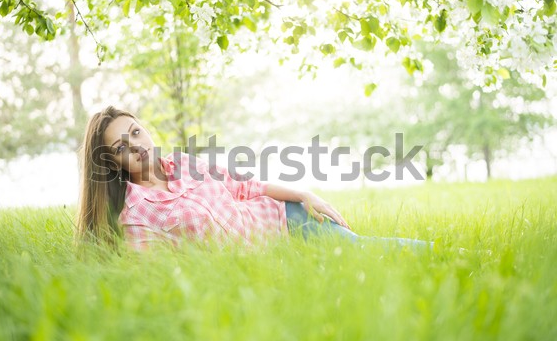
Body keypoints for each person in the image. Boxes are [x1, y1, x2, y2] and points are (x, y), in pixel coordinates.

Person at [76, 106, 432, 252]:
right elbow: (154, 274)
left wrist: (304, 194)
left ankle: (446, 253)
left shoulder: (183, 163)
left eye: (136, 132)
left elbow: (246, 186)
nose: (136, 146)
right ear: (112, 163)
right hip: (264, 257)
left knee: (364, 251)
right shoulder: (136, 214)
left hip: (287, 221)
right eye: (122, 147)